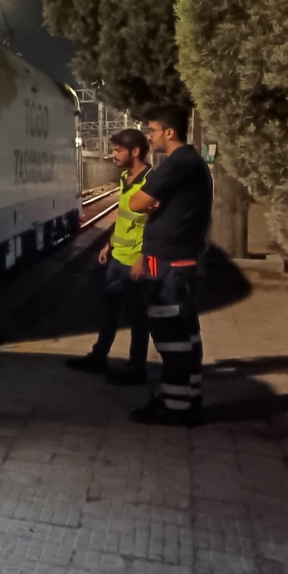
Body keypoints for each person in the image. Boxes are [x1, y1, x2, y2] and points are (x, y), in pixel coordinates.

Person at [127, 105, 213, 426]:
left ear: (169, 132)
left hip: (170, 263)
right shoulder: (194, 163)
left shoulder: (178, 163)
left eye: (152, 130)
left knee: (170, 333)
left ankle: (175, 408)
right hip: (179, 256)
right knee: (186, 332)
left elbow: (137, 202)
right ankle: (186, 396)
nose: (150, 136)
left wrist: (150, 201)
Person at [67, 129, 152, 384]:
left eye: (117, 150)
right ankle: (98, 357)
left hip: (136, 262)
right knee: (109, 311)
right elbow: (124, 218)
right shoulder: (126, 177)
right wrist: (109, 244)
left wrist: (143, 260)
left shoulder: (152, 183)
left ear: (134, 151)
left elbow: (156, 227)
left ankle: (137, 370)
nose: (112, 154)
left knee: (138, 318)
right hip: (118, 258)